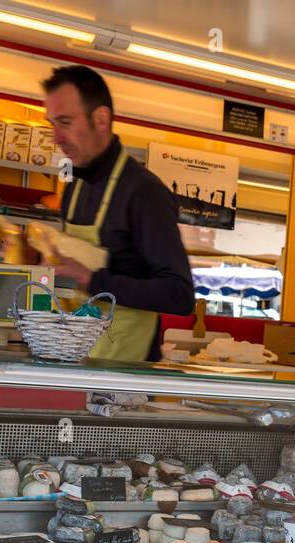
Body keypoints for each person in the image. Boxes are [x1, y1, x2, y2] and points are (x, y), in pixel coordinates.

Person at [42, 65, 195, 361]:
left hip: (124, 376)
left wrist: (94, 281)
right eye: (52, 124)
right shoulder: (75, 188)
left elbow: (179, 295)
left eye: (65, 122)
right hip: (75, 361)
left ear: (100, 119)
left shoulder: (143, 192)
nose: (56, 137)